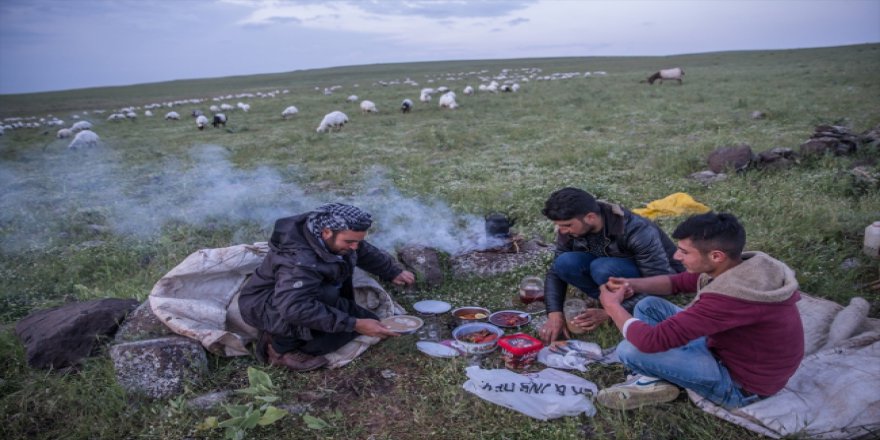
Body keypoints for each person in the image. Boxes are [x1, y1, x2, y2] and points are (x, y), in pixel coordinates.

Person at [595, 212, 804, 410]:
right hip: (730, 351)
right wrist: (632, 284)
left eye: (684, 252)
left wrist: (612, 306)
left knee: (629, 350)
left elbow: (650, 341)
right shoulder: (744, 268)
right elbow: (677, 282)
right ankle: (654, 377)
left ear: (716, 256)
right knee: (648, 305)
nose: (676, 256)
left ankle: (649, 379)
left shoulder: (728, 297)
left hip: (741, 386)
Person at [238, 203, 415, 372]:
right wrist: (354, 324)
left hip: (308, 294)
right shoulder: (299, 263)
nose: (354, 247)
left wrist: (391, 271)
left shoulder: (331, 235)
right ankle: (278, 348)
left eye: (357, 241)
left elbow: (362, 250)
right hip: (269, 305)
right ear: (326, 232)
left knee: (370, 321)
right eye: (349, 242)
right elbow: (294, 307)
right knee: (324, 339)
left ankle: (310, 326)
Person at [538, 187, 683, 344]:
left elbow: (662, 282)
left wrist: (609, 312)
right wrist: (554, 313)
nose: (562, 231)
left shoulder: (636, 229)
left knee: (602, 268)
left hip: (654, 275)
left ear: (590, 217)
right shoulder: (572, 230)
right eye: (560, 226)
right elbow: (555, 272)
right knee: (564, 263)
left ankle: (618, 307)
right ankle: (605, 299)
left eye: (567, 225)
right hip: (610, 268)